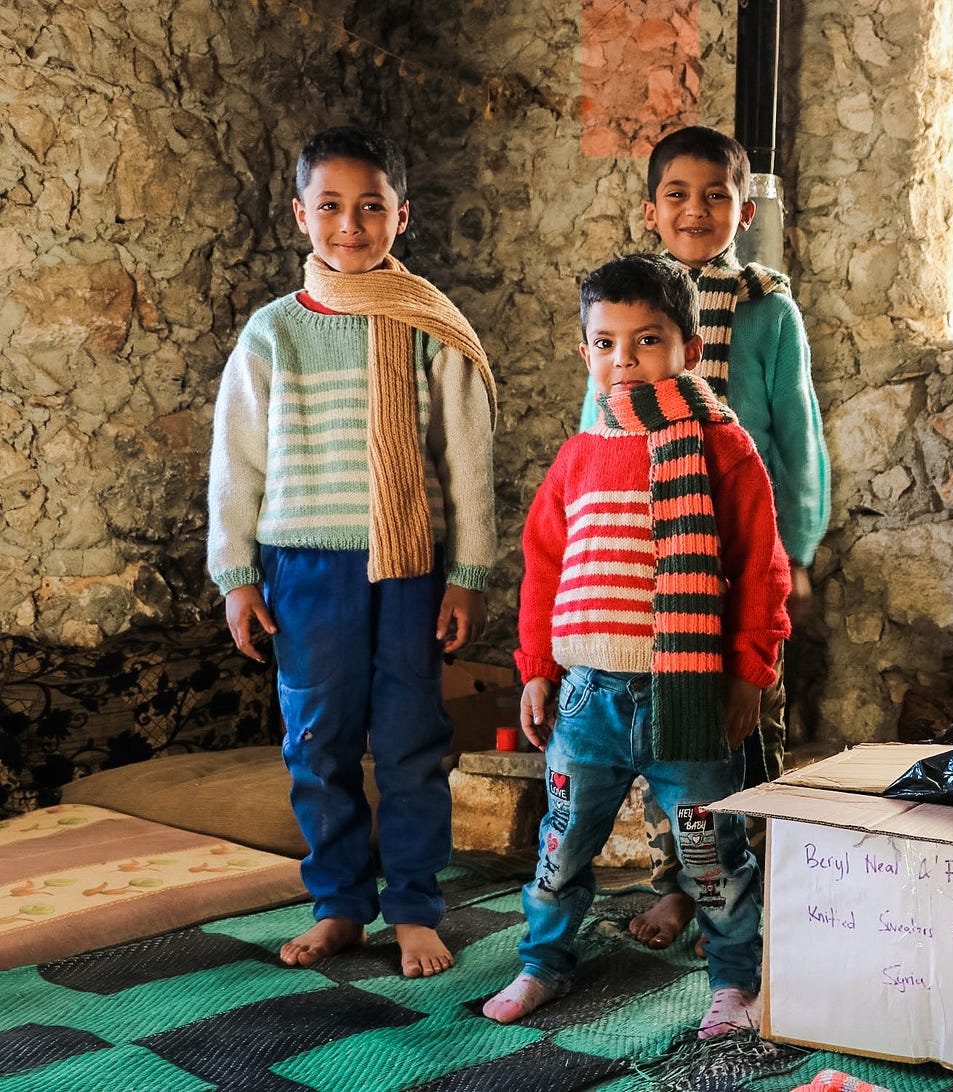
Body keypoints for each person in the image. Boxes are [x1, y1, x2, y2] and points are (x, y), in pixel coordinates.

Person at [207, 125, 497, 979]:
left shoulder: (432, 327)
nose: (350, 224)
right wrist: (237, 577)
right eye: (330, 206)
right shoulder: (273, 335)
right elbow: (237, 462)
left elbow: (467, 459)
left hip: (409, 570)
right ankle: (338, 904)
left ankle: (412, 906)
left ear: (401, 217)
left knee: (410, 739)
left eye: (371, 207)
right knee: (317, 740)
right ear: (301, 215)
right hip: (303, 569)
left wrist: (470, 574)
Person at [484, 253, 790, 1036]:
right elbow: (544, 568)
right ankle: (542, 964)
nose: (626, 360)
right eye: (607, 342)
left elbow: (761, 566)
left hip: (687, 700)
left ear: (688, 347)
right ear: (585, 350)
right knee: (561, 848)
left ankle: (731, 984)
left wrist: (750, 673)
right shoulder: (578, 456)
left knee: (712, 855)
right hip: (588, 700)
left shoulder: (724, 448)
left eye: (648, 340)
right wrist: (536, 669)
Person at [579, 125, 829, 951]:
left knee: (749, 723)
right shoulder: (625, 309)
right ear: (651, 211)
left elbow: (798, 436)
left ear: (744, 209)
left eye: (716, 194)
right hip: (647, 566)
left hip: (742, 558)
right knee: (667, 738)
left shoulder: (767, 308)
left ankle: (764, 883)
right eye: (678, 195)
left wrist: (794, 552)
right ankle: (679, 884)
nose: (697, 209)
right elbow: (598, 433)